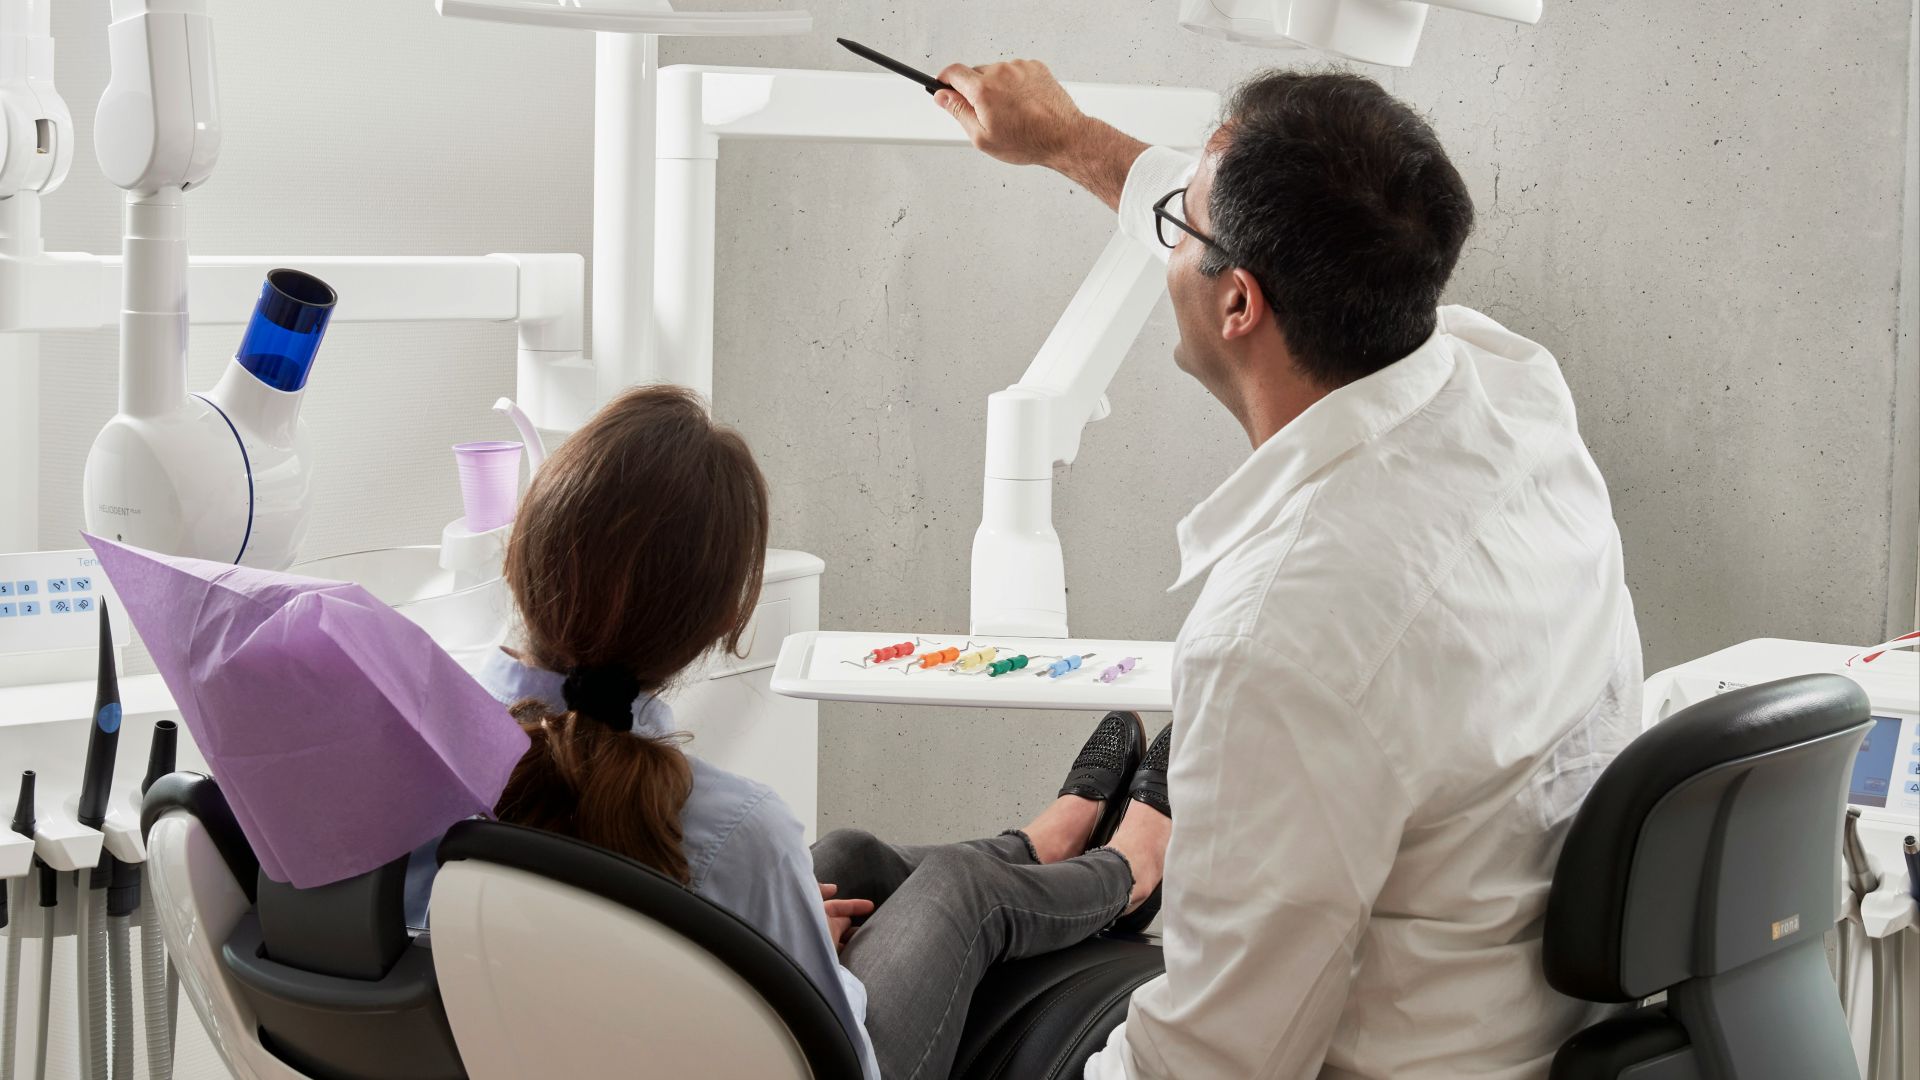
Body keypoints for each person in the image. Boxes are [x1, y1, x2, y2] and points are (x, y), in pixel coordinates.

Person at [932, 63, 1645, 1078]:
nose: (1170, 236)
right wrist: (1066, 138)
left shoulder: (1283, 636)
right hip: (1510, 1016)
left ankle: (1092, 871)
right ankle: (1114, 867)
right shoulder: (1512, 390)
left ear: (1238, 303)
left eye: (1182, 223)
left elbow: (1209, 1066)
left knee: (932, 945)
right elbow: (1258, 229)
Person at [476, 384, 1175, 1080]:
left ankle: (1038, 849)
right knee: (963, 887)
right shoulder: (739, 831)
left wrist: (788, 932)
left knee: (847, 854)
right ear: (725, 624)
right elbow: (839, 1056)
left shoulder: (445, 755)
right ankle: (1129, 872)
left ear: (522, 547)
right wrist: (806, 966)